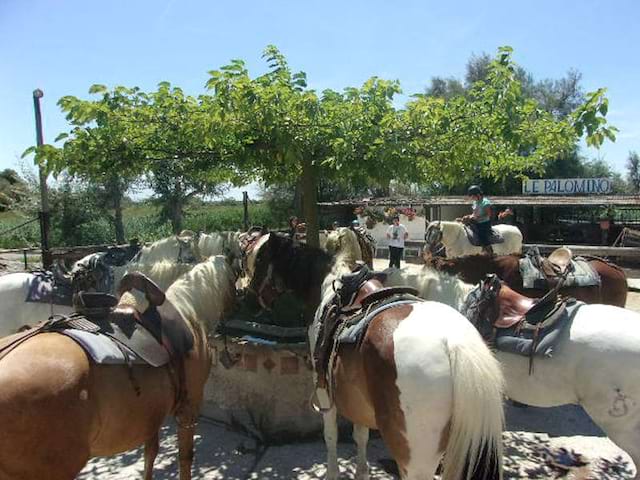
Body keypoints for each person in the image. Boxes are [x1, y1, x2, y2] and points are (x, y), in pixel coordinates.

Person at [464, 185, 494, 255]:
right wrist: (468, 217)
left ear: (478, 195)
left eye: (473, 196)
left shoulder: (485, 202)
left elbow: (488, 215)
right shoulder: (475, 203)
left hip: (484, 223)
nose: (472, 198)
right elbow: (474, 214)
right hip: (476, 221)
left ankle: (488, 249)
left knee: (482, 234)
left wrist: (477, 218)